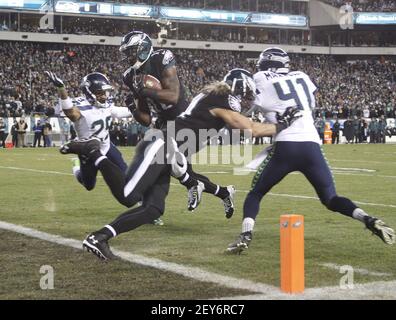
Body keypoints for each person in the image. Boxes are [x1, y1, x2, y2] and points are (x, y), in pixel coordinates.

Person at [62, 68, 300, 260]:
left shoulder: (215, 97)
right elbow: (250, 129)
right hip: (162, 146)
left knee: (153, 209)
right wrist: (281, 126)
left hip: (170, 152)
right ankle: (93, 152)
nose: (248, 101)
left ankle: (99, 238)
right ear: (238, 90)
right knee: (128, 195)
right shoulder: (221, 98)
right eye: (247, 95)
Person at [226, 47, 395, 254]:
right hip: (311, 145)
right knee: (330, 198)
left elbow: (246, 109)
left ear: (265, 63)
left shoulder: (260, 77)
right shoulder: (302, 76)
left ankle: (245, 235)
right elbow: (307, 104)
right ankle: (367, 218)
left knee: (256, 193)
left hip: (286, 145)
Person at [120, 31, 235, 216]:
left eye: (131, 51)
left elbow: (173, 97)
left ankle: (164, 201)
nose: (128, 56)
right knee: (177, 168)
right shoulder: (130, 75)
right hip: (163, 121)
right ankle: (223, 192)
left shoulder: (161, 58)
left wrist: (145, 92)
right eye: (126, 52)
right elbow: (146, 119)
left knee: (168, 164)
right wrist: (133, 108)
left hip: (184, 117)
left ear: (143, 49)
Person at [45, 71, 132, 192]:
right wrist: (61, 88)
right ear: (89, 92)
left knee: (125, 173)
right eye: (100, 93)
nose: (104, 96)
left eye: (105, 92)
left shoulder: (106, 104)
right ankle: (76, 169)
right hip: (88, 150)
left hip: (106, 146)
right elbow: (70, 112)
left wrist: (135, 109)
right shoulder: (80, 105)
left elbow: (116, 111)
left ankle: (140, 199)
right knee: (89, 185)